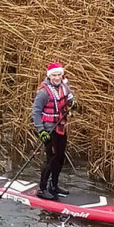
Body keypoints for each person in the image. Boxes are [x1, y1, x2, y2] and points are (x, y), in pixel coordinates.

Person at [32, 62, 76, 200]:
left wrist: (73, 104)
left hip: (60, 127)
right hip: (48, 130)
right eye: (54, 75)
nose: (57, 78)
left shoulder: (64, 87)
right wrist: (41, 131)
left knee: (60, 158)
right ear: (49, 76)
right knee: (50, 159)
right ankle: (42, 189)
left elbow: (70, 99)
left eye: (59, 75)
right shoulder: (43, 92)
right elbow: (36, 112)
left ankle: (54, 185)